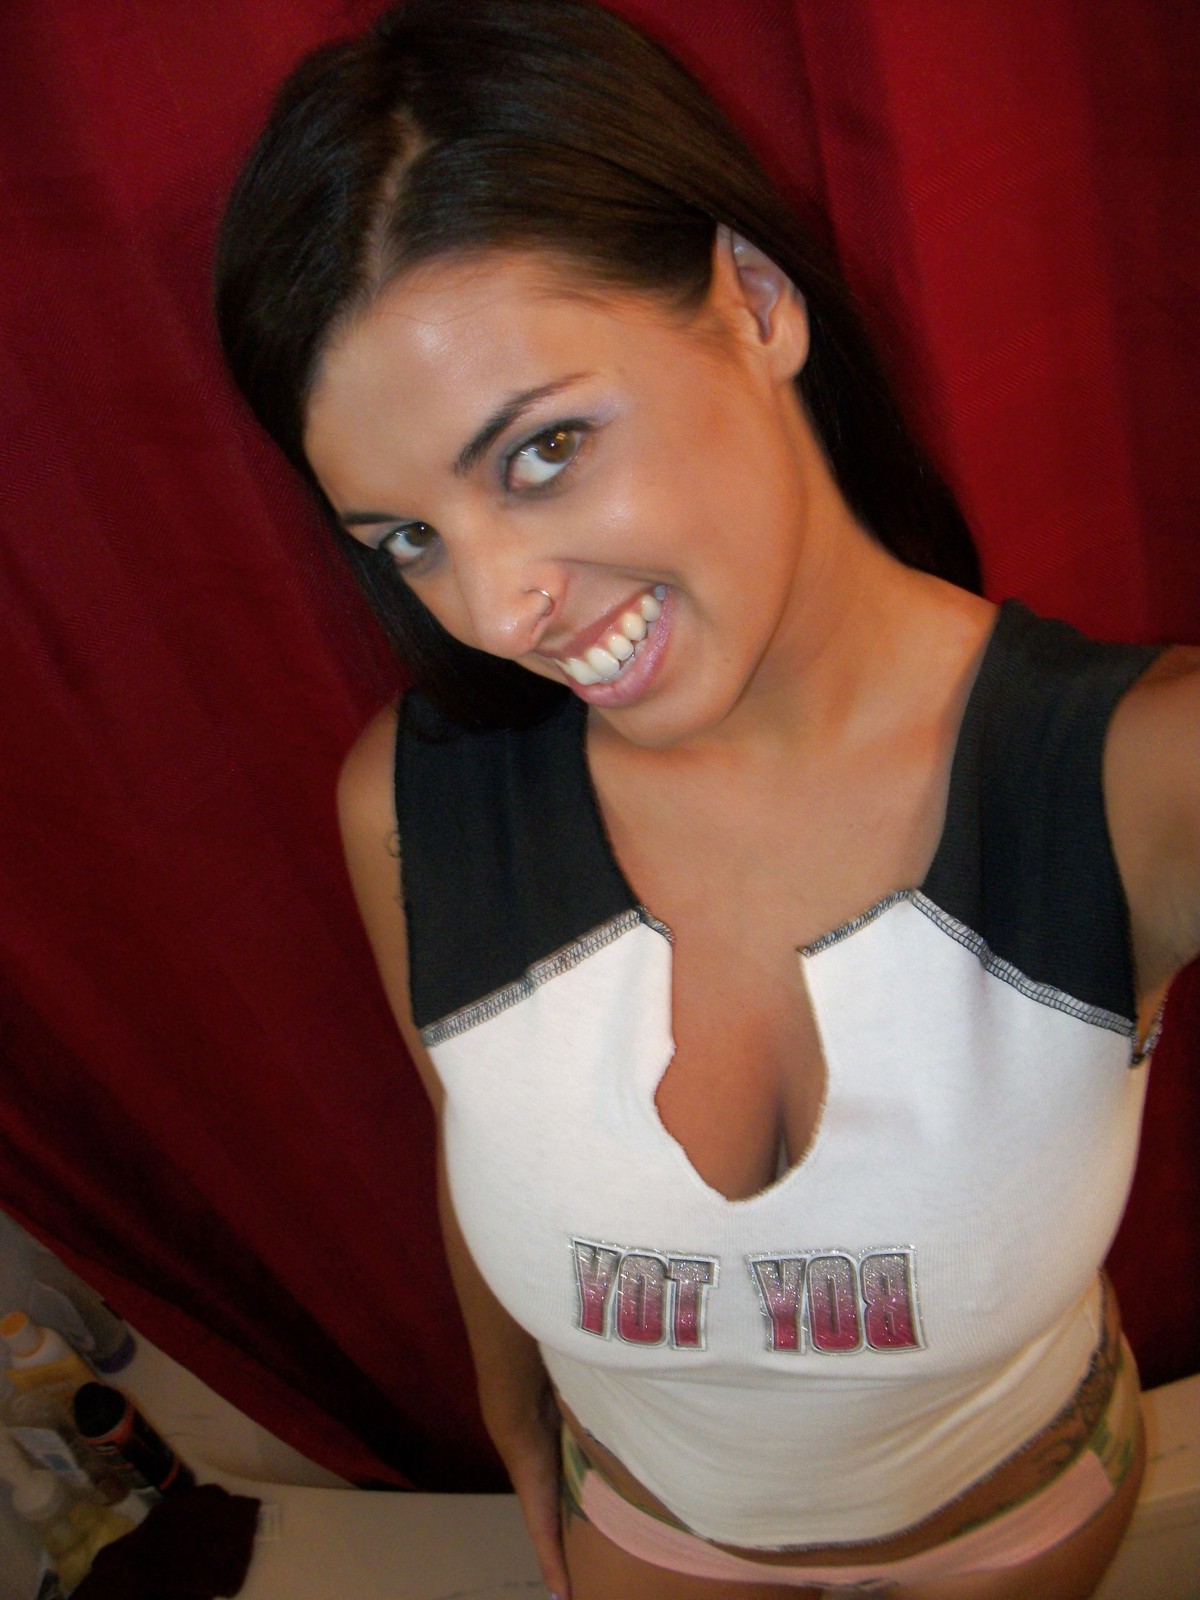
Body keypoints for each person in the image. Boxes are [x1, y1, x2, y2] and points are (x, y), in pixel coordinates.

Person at [214, 2, 1200, 1595]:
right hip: (649, 1542)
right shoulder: (412, 807)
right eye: (407, 539)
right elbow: (476, 1137)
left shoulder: (1135, 772)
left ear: (754, 299)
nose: (498, 609)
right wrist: (511, 1413)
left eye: (544, 451)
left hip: (1023, 1532)